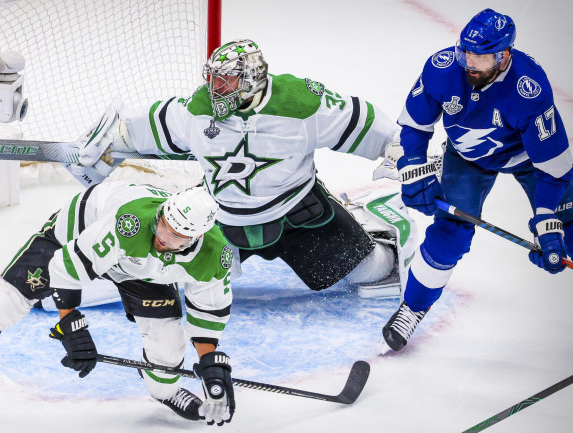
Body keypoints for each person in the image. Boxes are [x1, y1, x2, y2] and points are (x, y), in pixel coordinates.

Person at [67, 39, 417, 301]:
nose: (215, 89)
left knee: (373, 273)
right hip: (219, 218)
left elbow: (364, 124)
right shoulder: (198, 107)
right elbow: (141, 126)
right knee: (165, 279)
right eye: (214, 79)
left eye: (227, 81)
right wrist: (105, 142)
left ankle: (377, 234)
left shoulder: (301, 103)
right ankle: (67, 283)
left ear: (253, 79)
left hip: (296, 213)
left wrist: (397, 149)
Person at [0, 182, 237, 426]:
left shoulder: (213, 257)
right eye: (163, 222)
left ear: (196, 238)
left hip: (143, 269)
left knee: (168, 343)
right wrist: (70, 326)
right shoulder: (133, 223)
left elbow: (208, 313)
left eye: (176, 236)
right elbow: (67, 267)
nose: (162, 235)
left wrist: (209, 363)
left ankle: (165, 390)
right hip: (76, 236)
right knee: (3, 304)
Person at [380, 8, 572, 352]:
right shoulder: (442, 69)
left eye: (481, 58)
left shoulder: (529, 88)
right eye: (467, 53)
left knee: (568, 229)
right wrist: (412, 169)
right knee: (449, 233)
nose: (471, 64)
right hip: (467, 159)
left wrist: (547, 219)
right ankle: (413, 307)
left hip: (529, 161)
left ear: (504, 56)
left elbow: (556, 169)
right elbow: (414, 126)